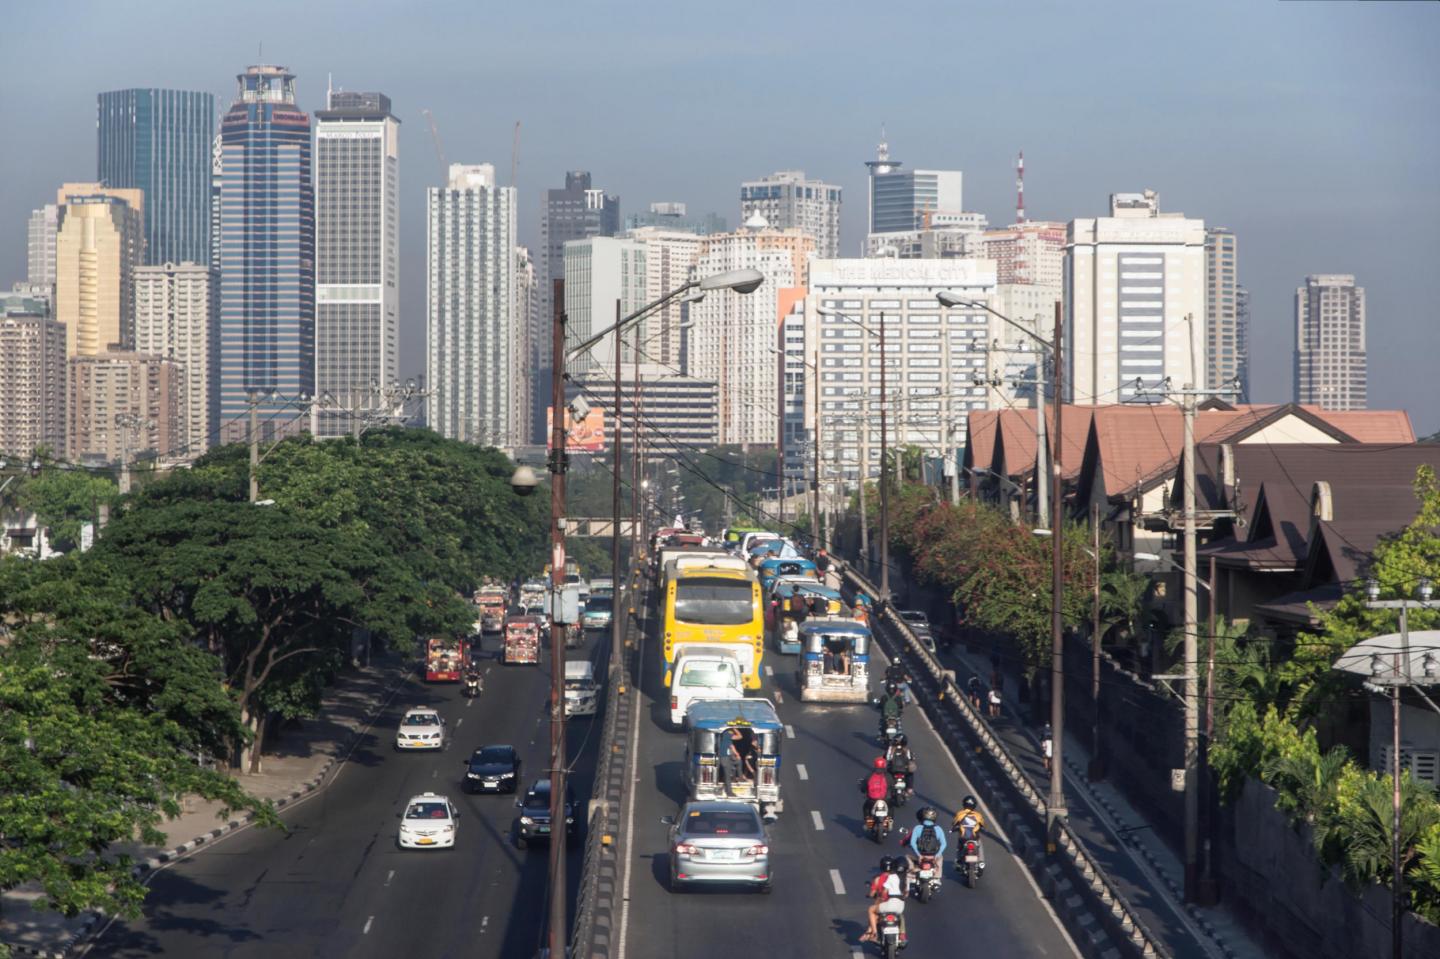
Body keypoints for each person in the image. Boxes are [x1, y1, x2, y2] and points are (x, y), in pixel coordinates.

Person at [861, 857, 907, 945]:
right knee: (900, 915)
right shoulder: (898, 877)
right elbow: (903, 891)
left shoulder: (878, 879)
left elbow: (877, 893)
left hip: (885, 904)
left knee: (872, 911)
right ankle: (902, 935)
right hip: (898, 904)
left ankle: (873, 933)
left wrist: (872, 895)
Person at [904, 806, 949, 876]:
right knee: (940, 859)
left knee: (907, 857)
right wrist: (936, 855)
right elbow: (944, 844)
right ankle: (937, 877)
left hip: (921, 856)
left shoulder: (917, 828)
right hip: (933, 857)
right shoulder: (938, 829)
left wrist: (919, 855)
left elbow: (912, 843)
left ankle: (911, 874)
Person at [951, 795, 987, 873]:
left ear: (964, 804)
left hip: (963, 838)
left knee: (959, 847)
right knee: (979, 846)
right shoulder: (978, 815)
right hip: (974, 838)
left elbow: (954, 824)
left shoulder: (960, 814)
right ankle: (981, 862)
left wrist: (953, 829)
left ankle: (958, 861)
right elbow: (983, 825)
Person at [860, 756, 891, 823]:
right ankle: (890, 820)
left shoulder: (870, 775)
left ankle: (867, 819)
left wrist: (863, 790)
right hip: (885, 799)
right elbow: (892, 785)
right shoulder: (887, 776)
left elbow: (864, 786)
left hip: (872, 799)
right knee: (891, 807)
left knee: (866, 807)